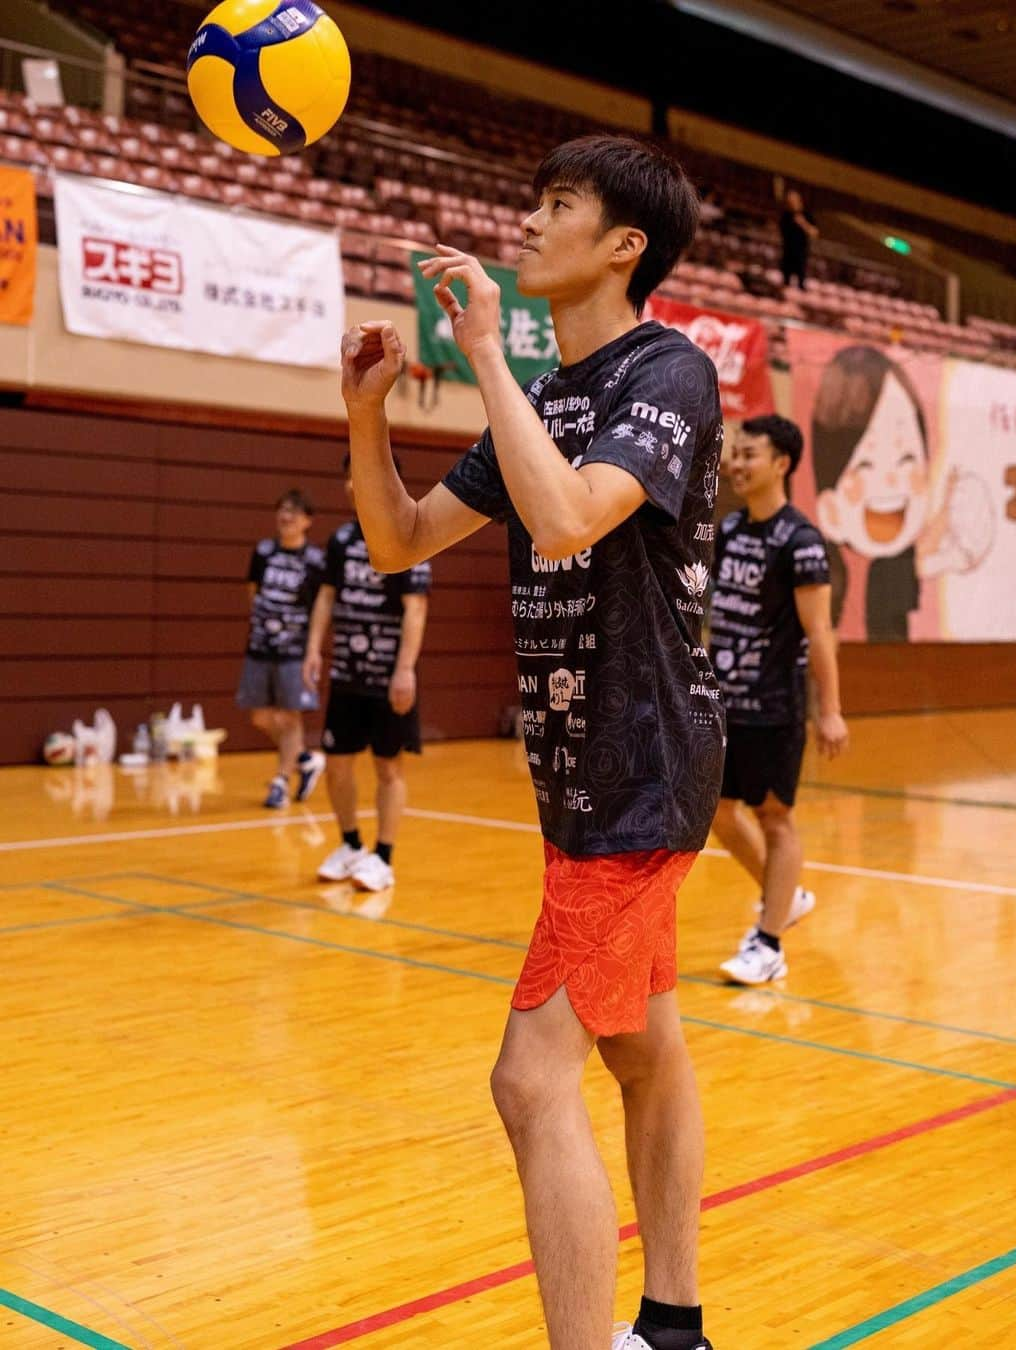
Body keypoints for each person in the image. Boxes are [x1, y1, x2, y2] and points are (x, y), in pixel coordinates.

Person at [340, 136, 725, 1350]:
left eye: (559, 204)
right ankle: (675, 1326)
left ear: (623, 246)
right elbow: (400, 538)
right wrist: (367, 419)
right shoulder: (546, 399)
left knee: (528, 1079)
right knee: (642, 1056)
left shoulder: (668, 373)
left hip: (644, 767)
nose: (530, 219)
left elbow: (565, 518)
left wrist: (490, 357)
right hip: (580, 779)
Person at [708, 415, 848, 984]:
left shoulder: (802, 542)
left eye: (750, 455)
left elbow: (820, 633)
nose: (738, 464)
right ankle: (782, 899)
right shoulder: (730, 530)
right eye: (735, 454)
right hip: (724, 700)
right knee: (717, 812)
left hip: (774, 704)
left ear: (782, 464)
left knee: (775, 818)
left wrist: (831, 710)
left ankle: (768, 944)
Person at [302, 452, 431, 892]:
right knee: (337, 765)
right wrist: (313, 651)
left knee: (388, 768)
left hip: (386, 677)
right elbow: (325, 597)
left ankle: (384, 857)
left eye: (362, 473)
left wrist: (404, 672)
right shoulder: (340, 542)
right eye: (349, 476)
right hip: (346, 676)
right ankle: (352, 845)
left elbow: (416, 610)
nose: (353, 484)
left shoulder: (407, 533)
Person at [810, 344, 961, 641]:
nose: (891, 479)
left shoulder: (895, 564)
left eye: (907, 458)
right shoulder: (824, 569)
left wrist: (948, 503)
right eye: (865, 464)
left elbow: (928, 547)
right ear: (829, 509)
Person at [236, 488, 326, 809]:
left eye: (293, 511)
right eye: (282, 510)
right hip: (261, 646)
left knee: (289, 718)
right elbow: (252, 592)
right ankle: (304, 758)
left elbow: (321, 607)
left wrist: (312, 650)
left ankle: (281, 783)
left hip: (295, 650)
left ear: (307, 521)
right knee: (260, 716)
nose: (285, 516)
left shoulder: (316, 562)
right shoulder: (263, 552)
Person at [778, 188, 818, 290]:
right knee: (786, 280)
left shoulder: (807, 215)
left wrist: (803, 223)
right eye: (789, 201)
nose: (792, 203)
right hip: (788, 251)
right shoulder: (786, 216)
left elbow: (814, 233)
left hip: (801, 252)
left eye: (794, 200)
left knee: (801, 281)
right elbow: (782, 232)